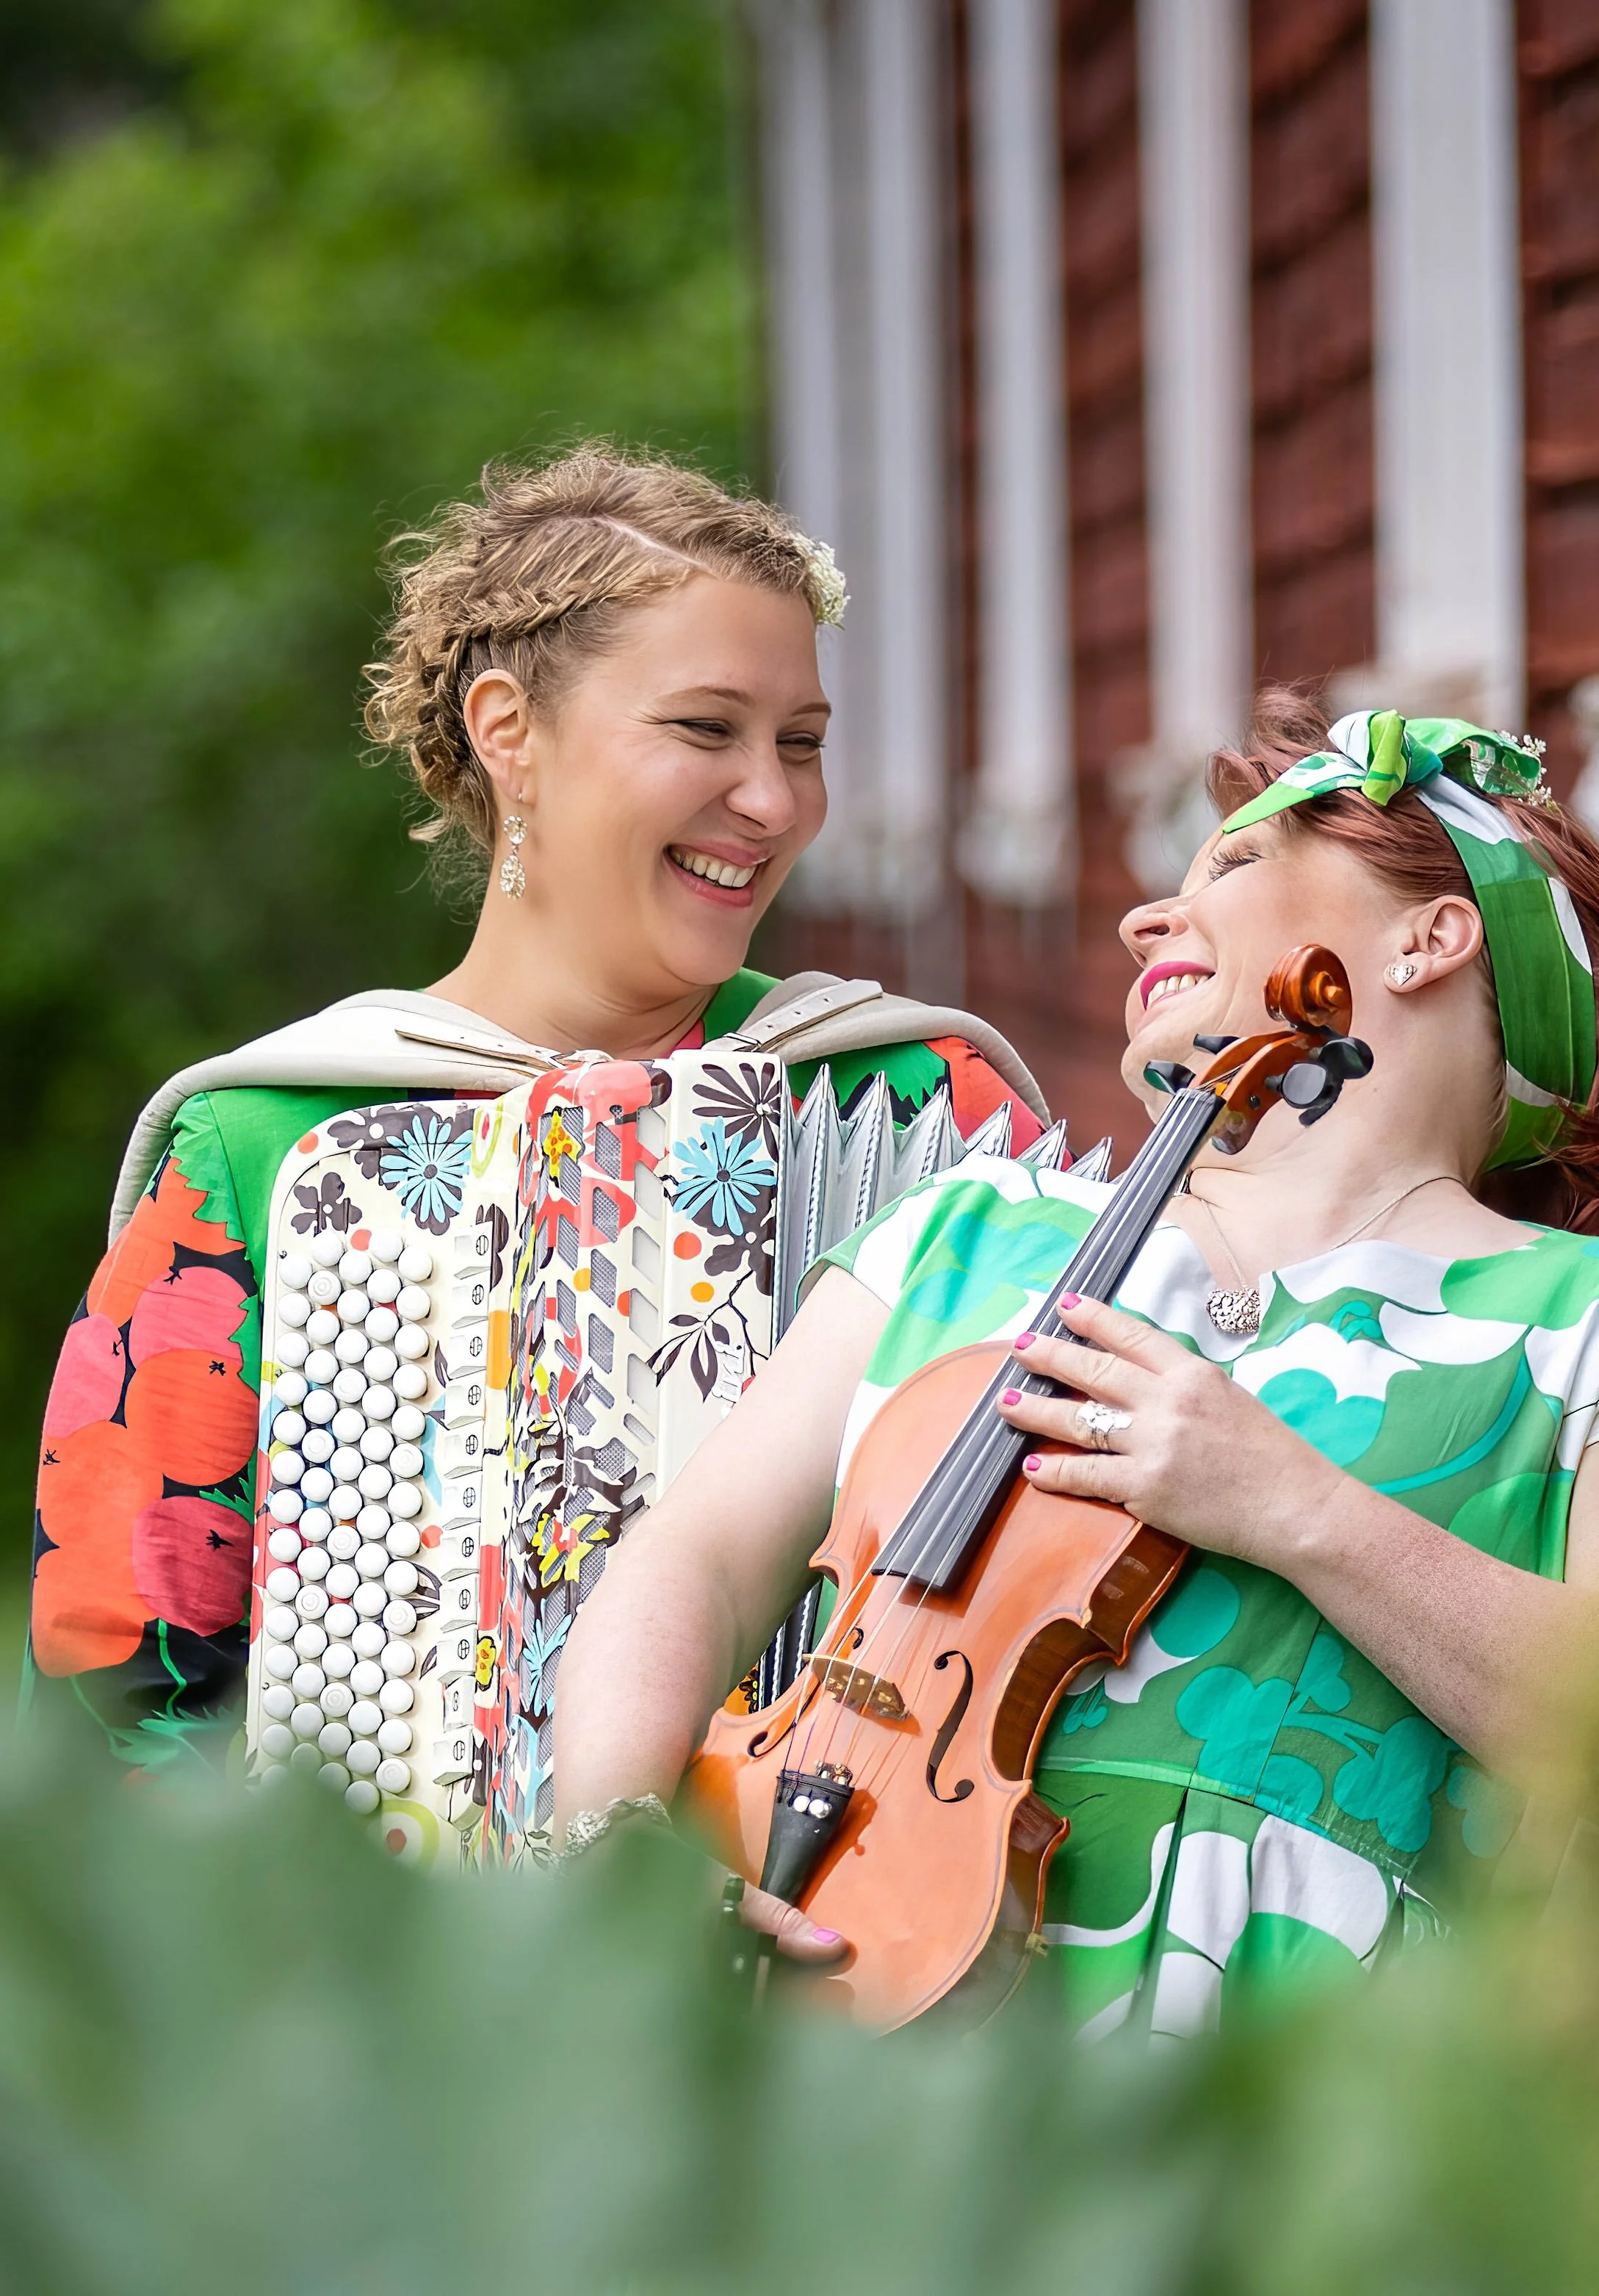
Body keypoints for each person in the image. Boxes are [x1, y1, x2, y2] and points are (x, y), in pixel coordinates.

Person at [552, 691, 1599, 2036]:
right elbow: (691, 1562)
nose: (1142, 921)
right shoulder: (970, 1233)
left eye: (1232, 863)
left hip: (1316, 2084)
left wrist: (1292, 1505)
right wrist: (618, 1859)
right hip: (854, 1999)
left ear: (1429, 938)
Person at [27, 444, 1046, 1776]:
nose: (773, 800)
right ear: (509, 732)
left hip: (874, 1873)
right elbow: (122, 1675)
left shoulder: (917, 1100)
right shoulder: (267, 1141)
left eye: (800, 743)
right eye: (707, 729)